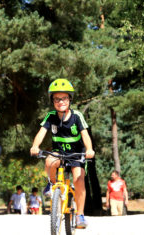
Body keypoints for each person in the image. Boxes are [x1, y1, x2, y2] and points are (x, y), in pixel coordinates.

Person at [29, 79, 96, 229]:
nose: (60, 102)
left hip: (77, 153)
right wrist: (35, 146)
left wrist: (89, 149)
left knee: (79, 180)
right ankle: (52, 184)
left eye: (64, 98)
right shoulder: (51, 116)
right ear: (52, 101)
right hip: (59, 152)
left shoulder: (77, 116)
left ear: (70, 99)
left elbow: (85, 135)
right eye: (57, 99)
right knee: (49, 161)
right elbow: (41, 132)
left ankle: (80, 215)